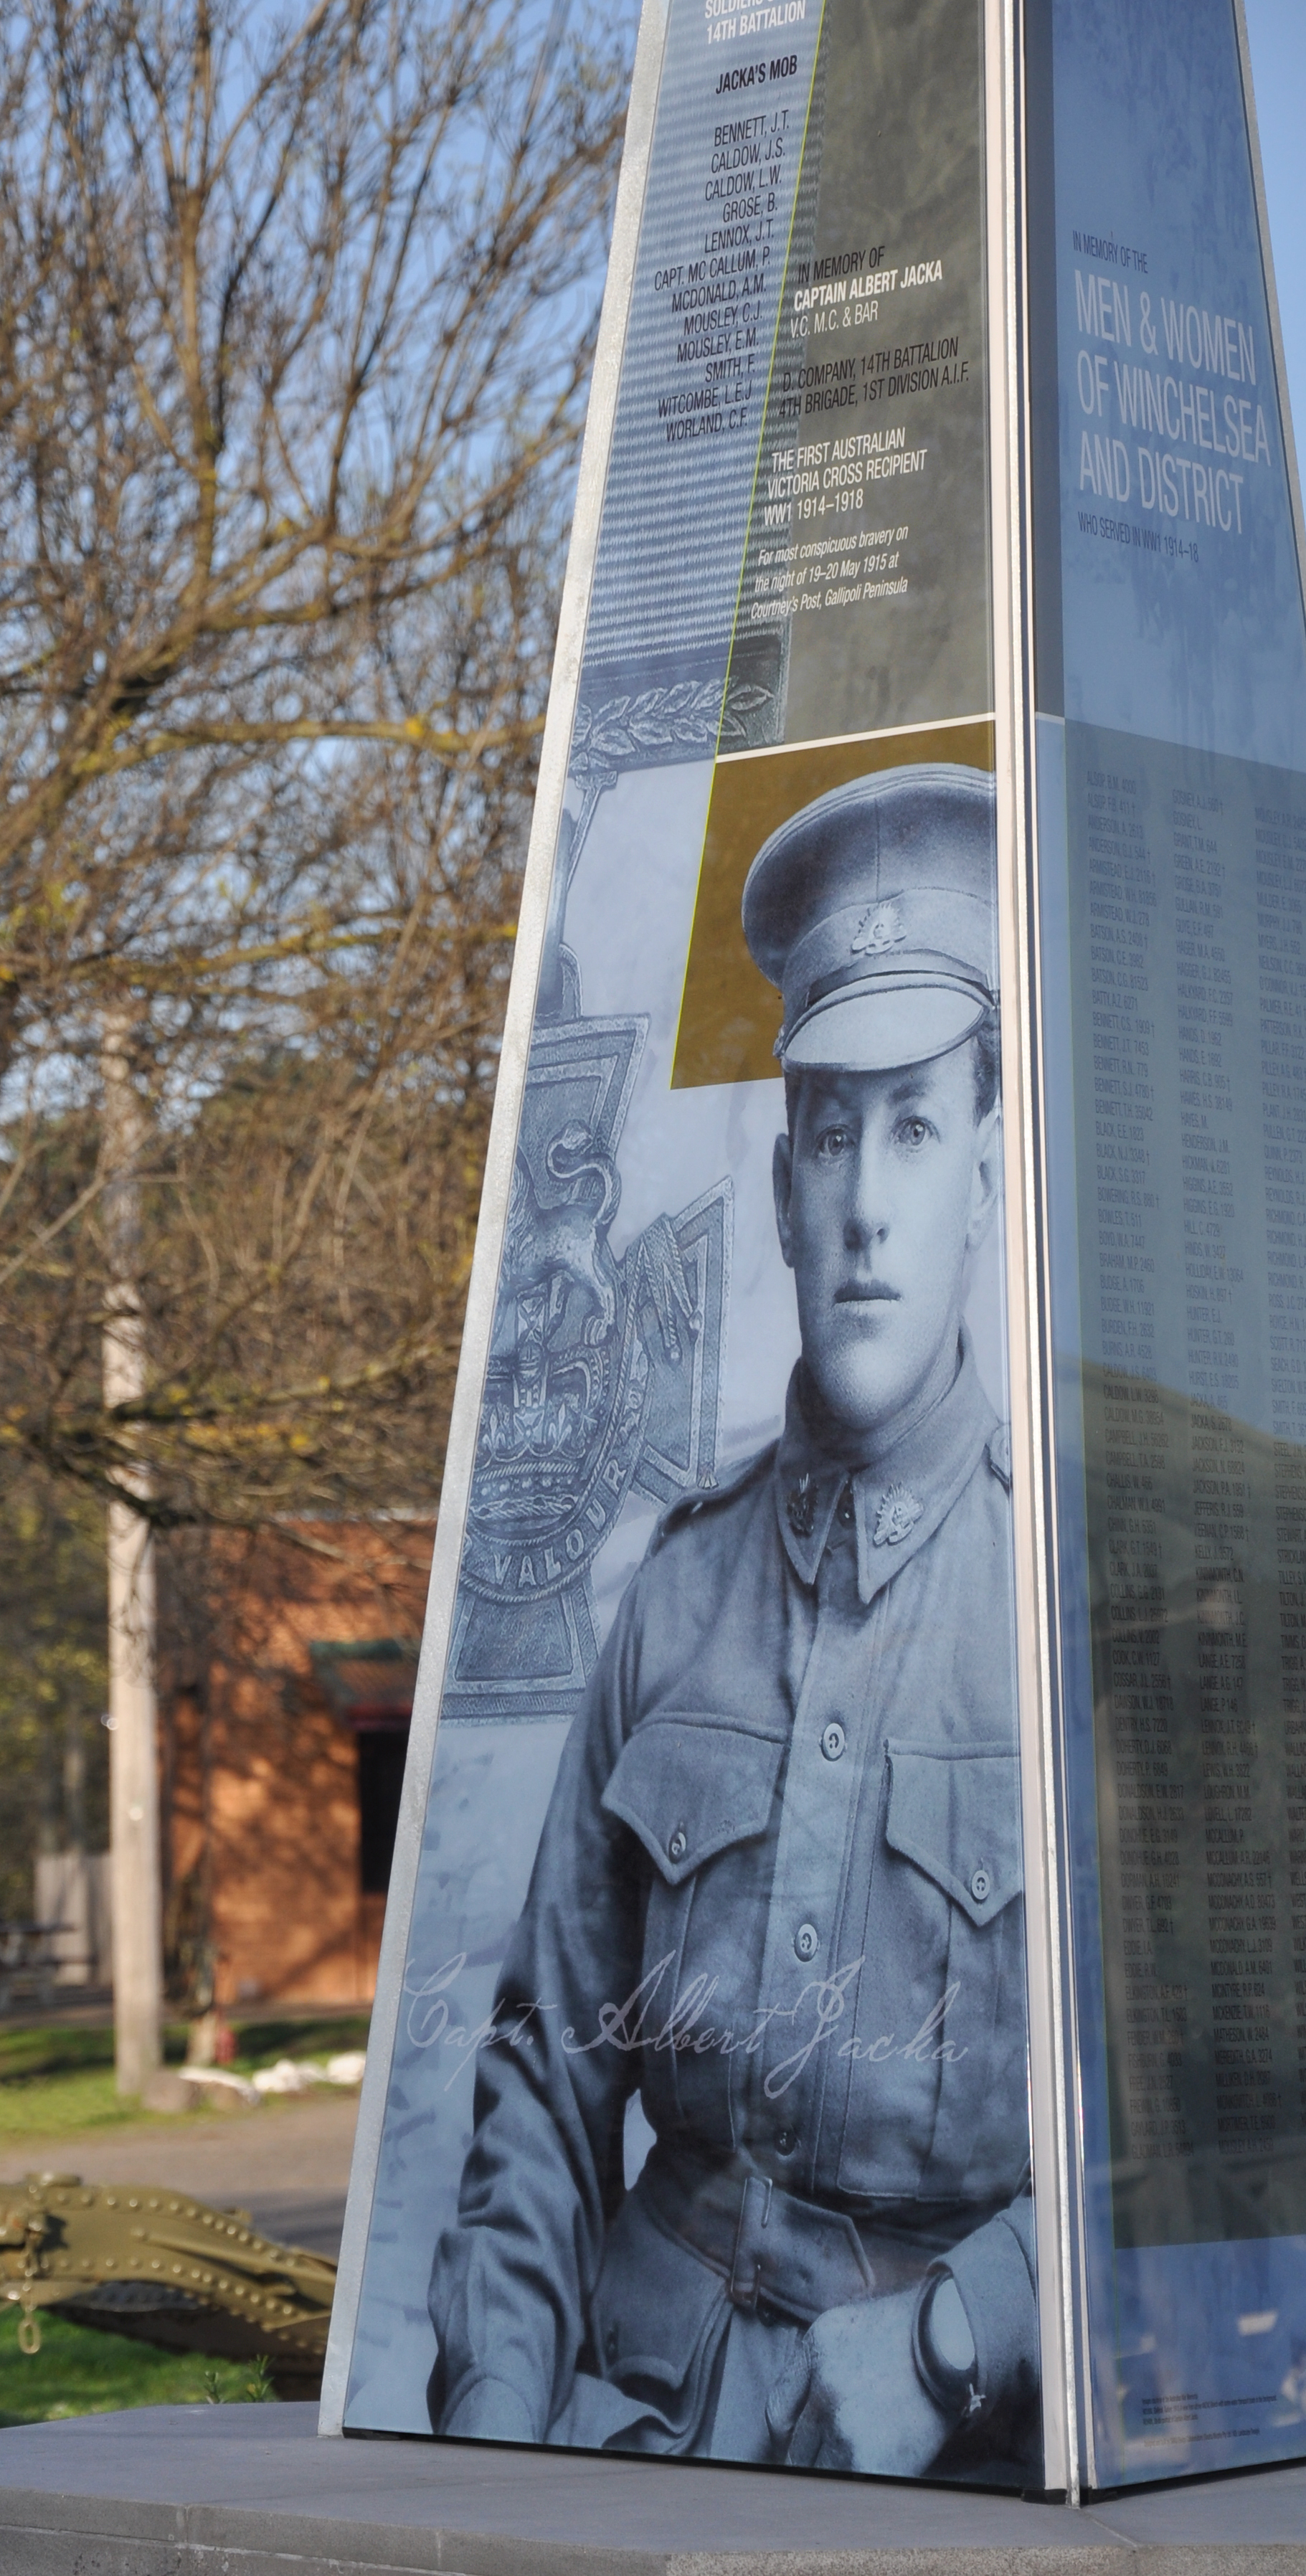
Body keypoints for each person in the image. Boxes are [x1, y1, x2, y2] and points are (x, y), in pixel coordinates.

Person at [428, 762, 1039, 2476]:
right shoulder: (676, 1590)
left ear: (987, 1171)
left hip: (951, 2469)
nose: (865, 1204)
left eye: (911, 1128)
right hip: (634, 2424)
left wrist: (960, 2333)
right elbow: (546, 2076)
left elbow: (1189, 2125)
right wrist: (492, 2437)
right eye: (831, 1132)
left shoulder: (1072, 1605)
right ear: (781, 1186)